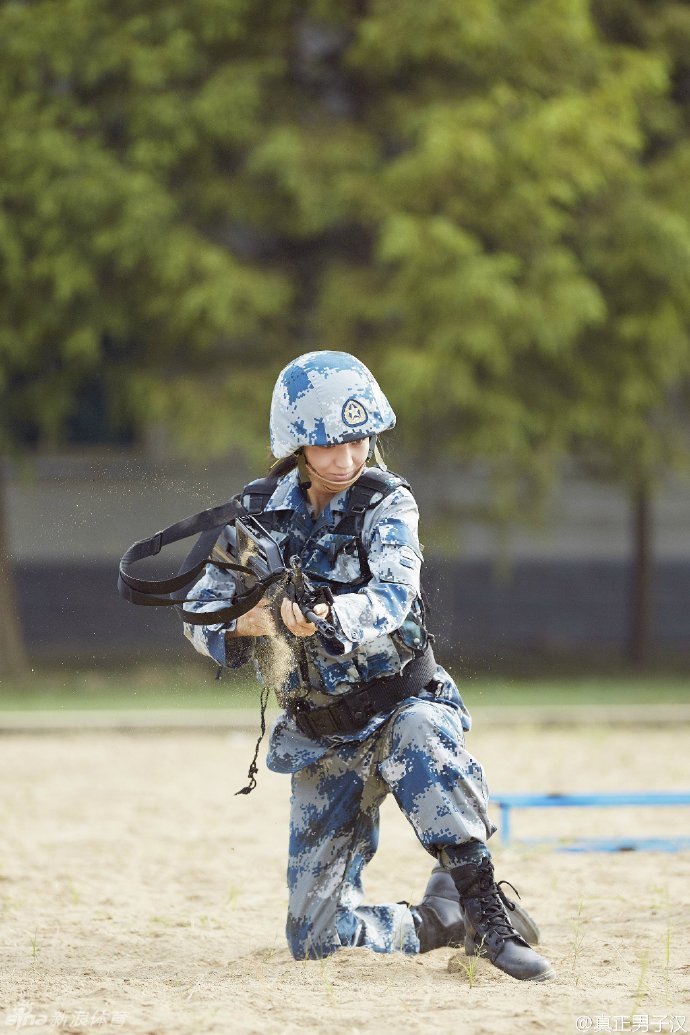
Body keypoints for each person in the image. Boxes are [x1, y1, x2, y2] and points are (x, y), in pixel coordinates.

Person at [182, 350, 554, 981]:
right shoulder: (257, 514)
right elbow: (199, 616)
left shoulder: (389, 504)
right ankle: (442, 921)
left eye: (358, 440)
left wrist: (323, 615)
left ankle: (484, 907)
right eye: (329, 444)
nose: (347, 459)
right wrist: (266, 618)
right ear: (297, 444)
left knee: (421, 733)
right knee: (314, 939)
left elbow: (390, 596)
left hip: (401, 705)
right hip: (322, 737)